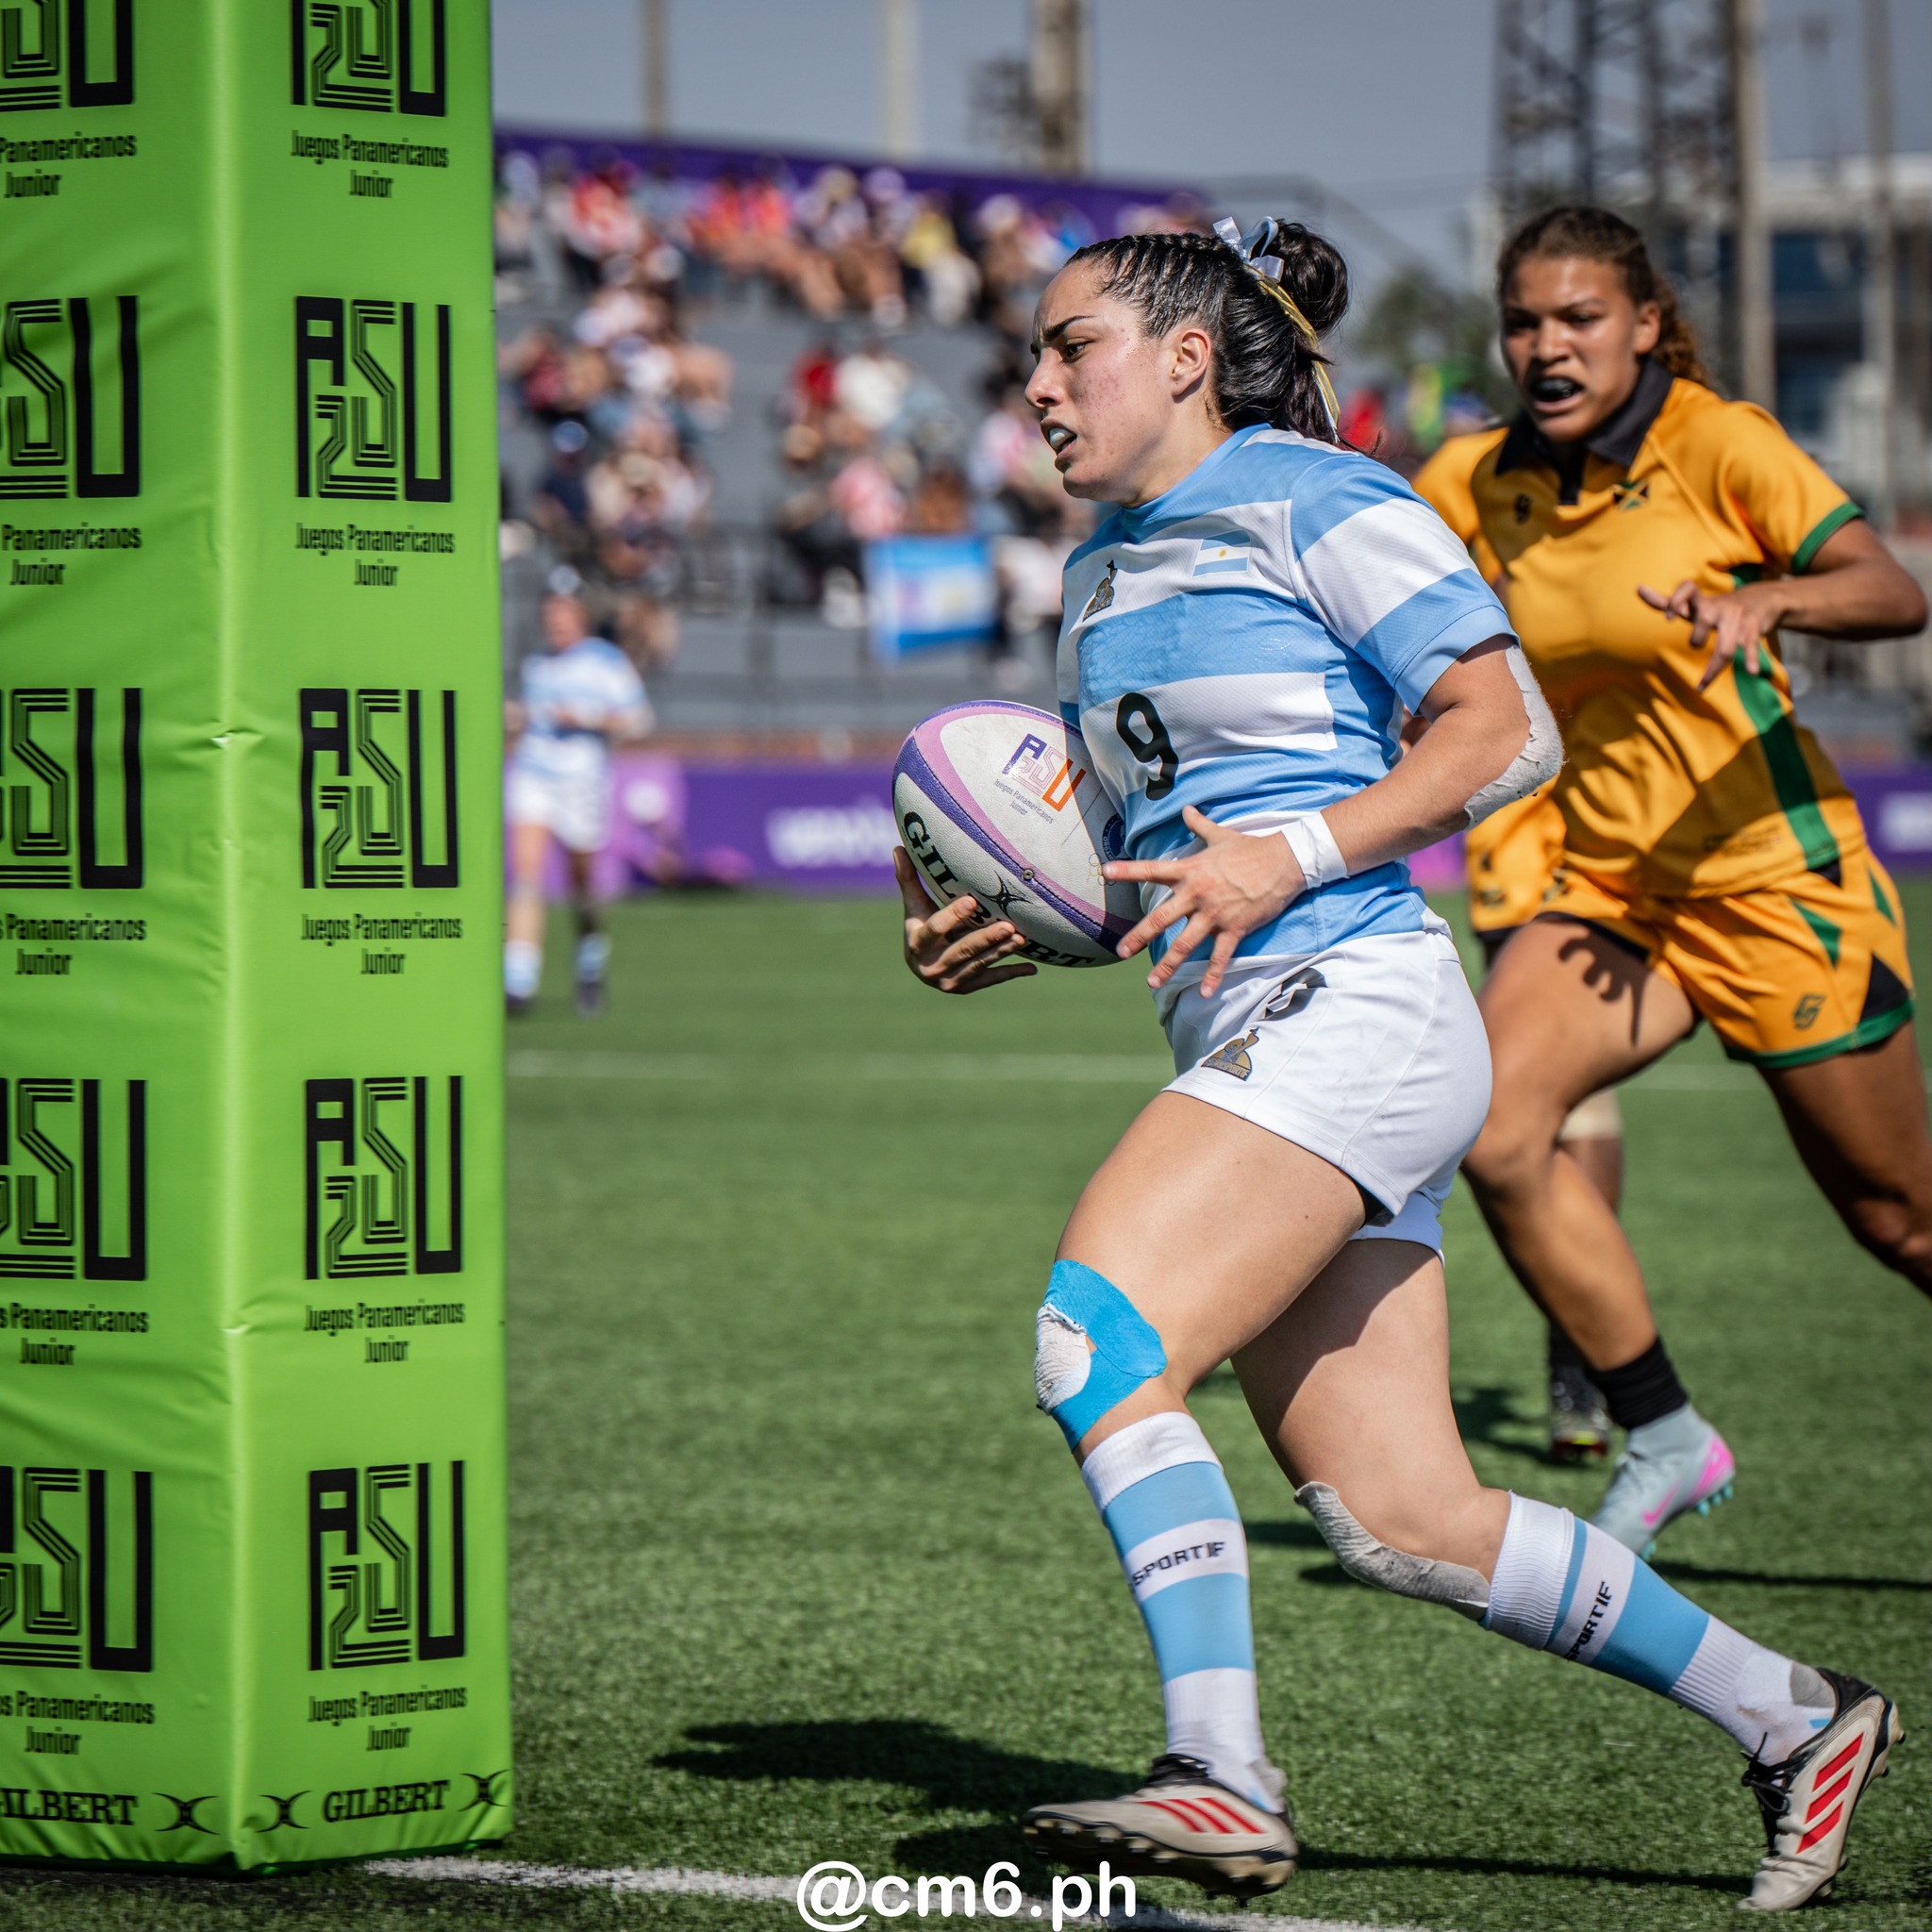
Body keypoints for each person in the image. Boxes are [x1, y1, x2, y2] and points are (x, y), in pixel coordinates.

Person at [890, 217, 1901, 1914]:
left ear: (1187, 358)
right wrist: (992, 917)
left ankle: (1217, 1772)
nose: (1038, 381)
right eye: (1036, 355)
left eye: (1072, 347)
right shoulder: (1100, 568)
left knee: (1096, 1338)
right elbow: (1134, 847)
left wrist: (1284, 858)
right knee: (1400, 1512)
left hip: (1352, 1002)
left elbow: (1503, 726)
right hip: (1272, 1024)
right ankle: (1794, 1714)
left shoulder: (1319, 494)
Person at [1444, 206, 1932, 1556]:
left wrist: (1771, 601)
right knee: (1488, 1127)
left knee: (1899, 1223)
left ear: (1647, 324)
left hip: (1781, 882)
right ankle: (1661, 1429)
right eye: (1526, 321)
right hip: (1614, 898)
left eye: (1580, 320)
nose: (1548, 346)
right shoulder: (1476, 479)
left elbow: (1891, 591)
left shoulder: (1721, 443)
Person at [1413, 435, 1624, 1465]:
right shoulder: (1463, 474)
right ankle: (1579, 1354)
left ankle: (1582, 1351)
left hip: (1633, 807)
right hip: (1523, 814)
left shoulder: (1681, 458)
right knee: (1552, 1098)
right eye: (1525, 323)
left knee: (1569, 1097)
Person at [505, 582, 654, 1016]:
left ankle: (589, 959)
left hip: (582, 783)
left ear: (580, 616)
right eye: (550, 613)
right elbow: (534, 720)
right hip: (534, 774)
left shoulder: (605, 661)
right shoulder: (538, 665)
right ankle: (519, 983)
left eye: (563, 613)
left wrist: (587, 718)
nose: (555, 622)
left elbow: (639, 720)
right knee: (525, 876)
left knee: (581, 885)